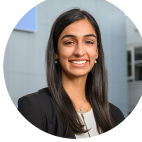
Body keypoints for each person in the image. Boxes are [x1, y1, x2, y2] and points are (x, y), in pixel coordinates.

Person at [17, 8, 125, 139]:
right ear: (56, 51)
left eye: (88, 42)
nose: (80, 51)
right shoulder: (33, 107)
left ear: (97, 51)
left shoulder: (115, 115)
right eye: (69, 42)